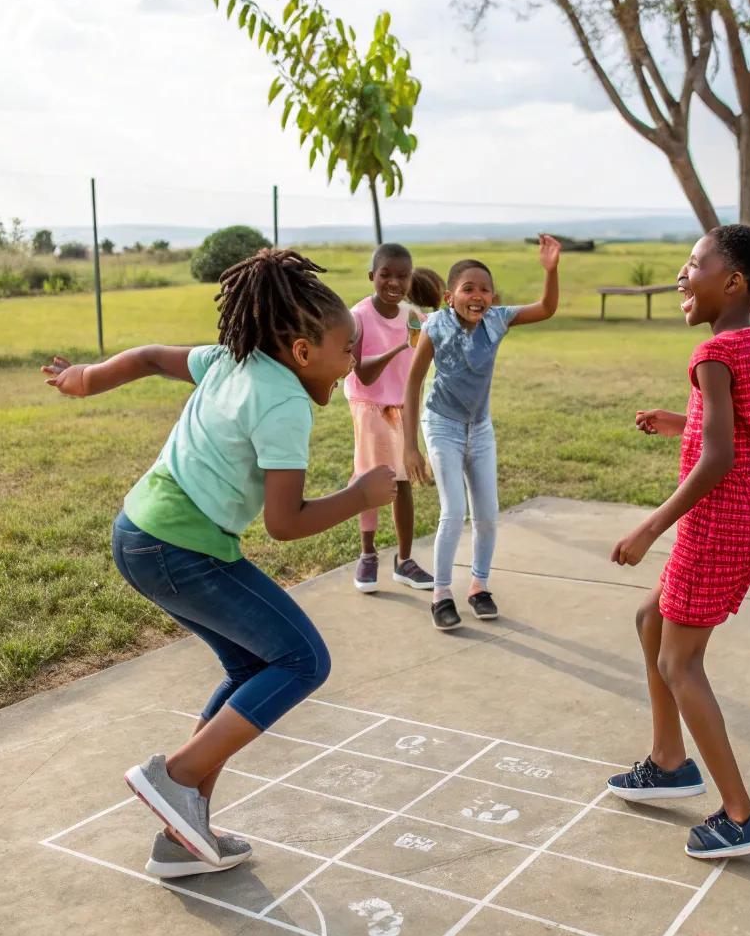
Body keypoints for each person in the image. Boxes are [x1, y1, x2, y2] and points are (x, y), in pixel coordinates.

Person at [42, 248, 396, 879]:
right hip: (178, 548)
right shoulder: (284, 403)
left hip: (139, 534)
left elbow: (151, 358)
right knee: (303, 660)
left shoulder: (234, 357)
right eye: (348, 349)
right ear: (302, 351)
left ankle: (183, 835)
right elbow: (285, 524)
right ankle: (175, 776)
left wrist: (88, 378)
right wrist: (361, 495)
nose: (353, 361)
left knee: (252, 665)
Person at [608, 224, 750, 860]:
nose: (682, 274)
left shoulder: (712, 354)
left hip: (719, 522)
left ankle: (740, 816)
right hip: (744, 516)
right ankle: (668, 761)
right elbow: (735, 434)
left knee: (680, 664)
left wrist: (649, 526)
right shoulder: (749, 344)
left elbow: (718, 459)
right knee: (650, 618)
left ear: (732, 282)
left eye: (694, 264)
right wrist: (680, 422)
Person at [403, 237, 561, 631]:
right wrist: (410, 447)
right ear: (449, 296)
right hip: (441, 424)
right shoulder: (435, 326)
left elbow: (546, 308)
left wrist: (551, 270)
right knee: (454, 511)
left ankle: (479, 586)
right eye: (468, 289)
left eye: (485, 289)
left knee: (488, 516)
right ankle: (442, 594)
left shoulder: (497, 319)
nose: (478, 296)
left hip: (480, 427)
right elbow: (413, 384)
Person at [346, 243, 434, 594]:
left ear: (410, 279)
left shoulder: (414, 316)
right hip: (369, 405)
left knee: (404, 481)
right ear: (372, 276)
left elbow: (433, 346)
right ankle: (367, 555)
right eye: (386, 275)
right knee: (370, 480)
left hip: (403, 406)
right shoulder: (359, 316)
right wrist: (400, 346)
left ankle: (404, 561)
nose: (394, 282)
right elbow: (363, 373)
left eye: (402, 276)